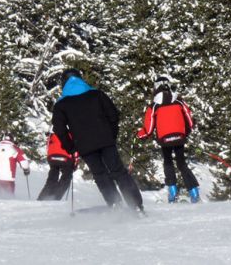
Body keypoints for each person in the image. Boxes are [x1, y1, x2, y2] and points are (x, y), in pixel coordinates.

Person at [52, 68, 145, 215]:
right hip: (106, 140)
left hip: (84, 145)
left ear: (64, 83)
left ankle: (115, 205)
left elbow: (60, 129)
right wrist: (111, 134)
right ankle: (136, 206)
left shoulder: (61, 104)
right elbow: (113, 115)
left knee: (100, 175)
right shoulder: (97, 94)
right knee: (119, 172)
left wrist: (70, 147)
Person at [137, 76, 200, 203]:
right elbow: (189, 120)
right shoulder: (179, 101)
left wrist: (139, 135)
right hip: (179, 136)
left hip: (164, 138)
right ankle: (193, 191)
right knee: (182, 163)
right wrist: (186, 131)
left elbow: (148, 129)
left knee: (168, 162)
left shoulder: (154, 105)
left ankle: (172, 192)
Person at [37, 131, 77, 201]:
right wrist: (75, 164)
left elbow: (48, 145)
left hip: (52, 157)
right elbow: (76, 151)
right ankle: (55, 198)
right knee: (66, 177)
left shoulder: (54, 134)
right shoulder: (73, 134)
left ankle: (42, 198)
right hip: (65, 157)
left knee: (52, 179)